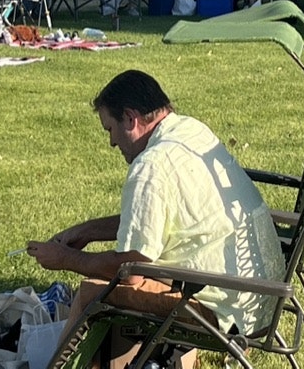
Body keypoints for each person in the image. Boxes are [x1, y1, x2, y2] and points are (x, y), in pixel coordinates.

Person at [26, 71, 284, 365]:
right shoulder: (191, 131)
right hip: (260, 297)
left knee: (90, 293)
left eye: (109, 129)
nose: (111, 142)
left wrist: (66, 259)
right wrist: (89, 230)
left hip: (223, 312)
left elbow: (131, 271)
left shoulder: (151, 165)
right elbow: (157, 219)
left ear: (131, 119)